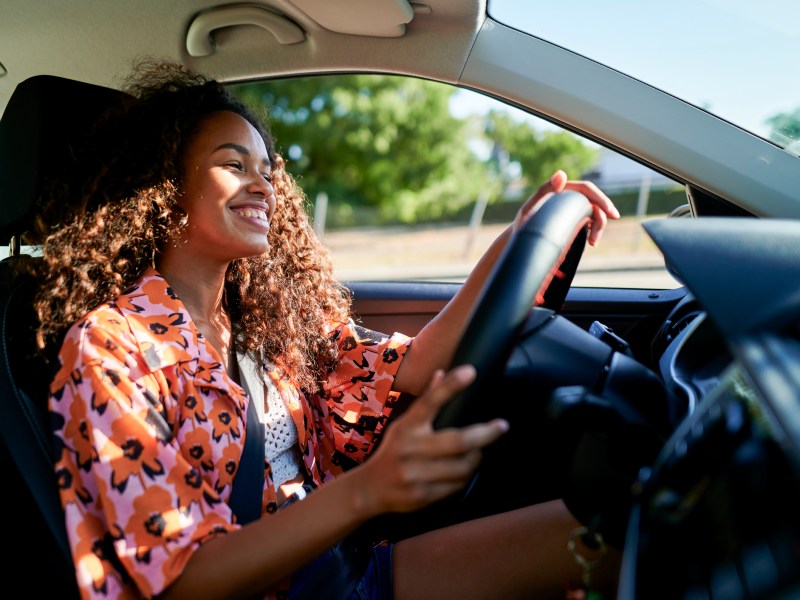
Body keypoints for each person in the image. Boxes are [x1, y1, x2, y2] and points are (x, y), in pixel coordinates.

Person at [34, 58, 622, 600]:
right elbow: (180, 581)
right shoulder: (111, 346)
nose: (263, 186)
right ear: (166, 185)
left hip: (342, 568)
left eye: (267, 169)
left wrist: (518, 238)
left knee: (620, 533)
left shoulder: (266, 319)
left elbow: (416, 364)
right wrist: (368, 491)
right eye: (233, 165)